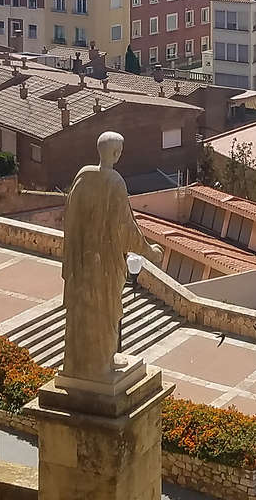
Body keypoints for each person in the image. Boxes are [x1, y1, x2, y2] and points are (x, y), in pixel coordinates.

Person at [60, 131, 163, 382]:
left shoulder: (82, 177)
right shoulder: (114, 182)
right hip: (105, 262)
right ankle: (101, 363)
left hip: (82, 260)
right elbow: (125, 227)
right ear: (116, 153)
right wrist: (149, 251)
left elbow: (70, 221)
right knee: (104, 310)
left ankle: (80, 363)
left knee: (83, 309)